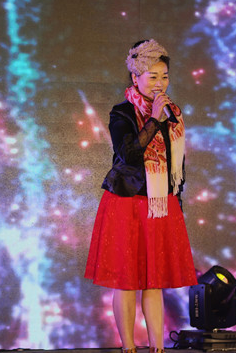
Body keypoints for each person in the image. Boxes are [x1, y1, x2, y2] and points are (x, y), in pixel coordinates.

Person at [84, 39, 197, 353]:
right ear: (135, 78)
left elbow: (176, 164)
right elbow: (130, 154)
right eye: (153, 76)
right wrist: (154, 120)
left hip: (160, 204)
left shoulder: (173, 115)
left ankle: (157, 348)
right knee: (126, 281)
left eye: (164, 76)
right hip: (127, 202)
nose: (160, 83)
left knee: (154, 280)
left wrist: (176, 199)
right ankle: (129, 348)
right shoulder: (121, 113)